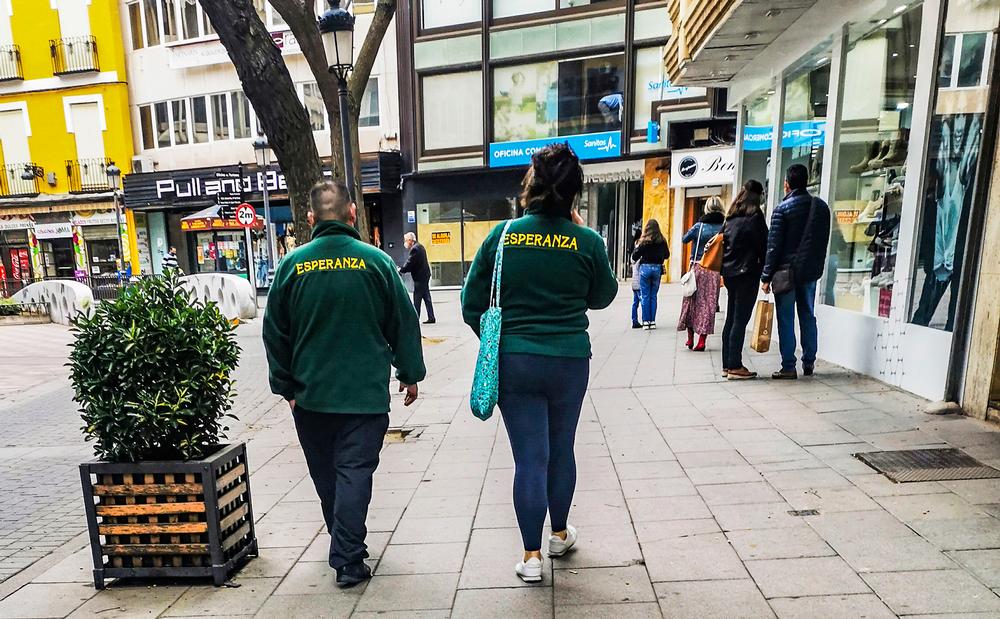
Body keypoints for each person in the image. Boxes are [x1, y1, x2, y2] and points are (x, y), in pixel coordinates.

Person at [461, 144, 618, 584]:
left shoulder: (503, 236)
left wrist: (500, 342)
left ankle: (531, 557)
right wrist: (580, 237)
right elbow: (603, 296)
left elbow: (471, 302)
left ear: (529, 186)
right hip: (569, 360)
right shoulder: (586, 240)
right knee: (561, 449)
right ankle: (560, 534)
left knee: (530, 458)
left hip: (515, 361)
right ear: (574, 193)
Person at [262, 181, 426, 587]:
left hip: (311, 398)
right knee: (354, 473)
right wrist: (409, 374)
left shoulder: (291, 266)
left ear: (311, 219)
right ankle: (349, 558)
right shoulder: (377, 263)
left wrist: (286, 388)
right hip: (365, 398)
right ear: (353, 215)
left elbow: (274, 333)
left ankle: (344, 542)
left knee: (326, 476)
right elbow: (403, 324)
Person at [761, 164, 832, 379]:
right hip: (809, 272)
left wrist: (765, 277)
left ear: (787, 184)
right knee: (808, 315)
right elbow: (822, 240)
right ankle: (809, 361)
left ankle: (789, 365)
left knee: (785, 318)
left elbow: (773, 247)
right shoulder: (820, 207)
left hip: (785, 273)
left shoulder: (781, 210)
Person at [720, 180, 768, 380]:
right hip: (747, 274)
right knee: (740, 320)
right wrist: (766, 274)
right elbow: (764, 246)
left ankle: (726, 364)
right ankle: (735, 365)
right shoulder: (755, 218)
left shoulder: (730, 218)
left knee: (731, 318)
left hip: (730, 274)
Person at [677, 197, 725, 351]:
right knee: (708, 304)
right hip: (714, 271)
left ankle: (690, 339)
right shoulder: (724, 226)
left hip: (697, 267)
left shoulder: (700, 226)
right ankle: (702, 341)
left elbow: (685, 239)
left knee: (691, 303)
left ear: (707, 209)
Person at [631, 219, 669, 330]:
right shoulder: (662, 240)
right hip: (657, 269)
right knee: (653, 296)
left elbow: (634, 256)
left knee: (645, 296)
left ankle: (645, 321)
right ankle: (652, 321)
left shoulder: (644, 241)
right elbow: (667, 255)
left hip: (645, 269)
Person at [399, 232, 435, 324]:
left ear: (410, 240)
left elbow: (410, 263)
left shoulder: (415, 249)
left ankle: (415, 318)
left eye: (406, 240)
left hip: (420, 277)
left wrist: (401, 270)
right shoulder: (420, 246)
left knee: (417, 297)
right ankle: (431, 317)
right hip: (424, 275)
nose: (405, 242)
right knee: (426, 297)